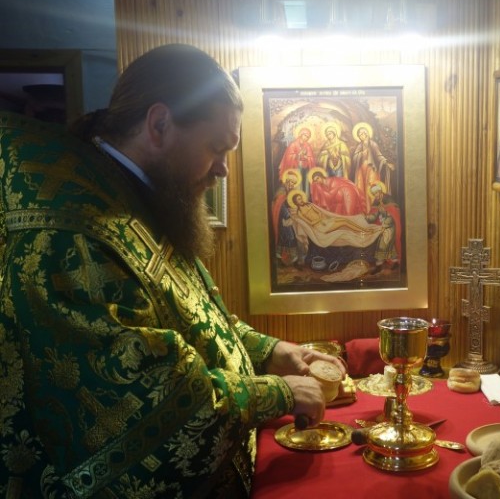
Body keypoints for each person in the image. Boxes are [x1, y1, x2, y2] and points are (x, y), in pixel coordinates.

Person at [0, 43, 345, 499]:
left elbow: (190, 315)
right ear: (160, 124)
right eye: (216, 148)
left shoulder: (135, 197)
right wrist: (276, 394)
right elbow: (146, 407)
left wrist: (269, 351)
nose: (223, 169)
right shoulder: (72, 236)